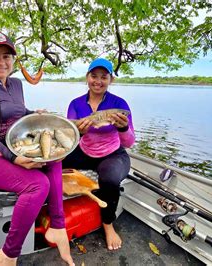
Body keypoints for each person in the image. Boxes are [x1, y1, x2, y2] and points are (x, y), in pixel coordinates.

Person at [0, 31, 74, 266]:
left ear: (13, 60)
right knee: (38, 185)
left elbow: (18, 113)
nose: (1, 62)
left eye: (6, 56)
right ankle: (7, 254)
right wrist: (13, 158)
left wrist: (35, 114)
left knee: (54, 156)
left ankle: (57, 226)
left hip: (9, 146)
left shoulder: (16, 84)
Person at [62, 58, 135, 251]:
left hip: (112, 154)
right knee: (51, 161)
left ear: (111, 80)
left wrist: (124, 127)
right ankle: (52, 209)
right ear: (87, 77)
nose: (98, 81)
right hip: (84, 150)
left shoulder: (119, 104)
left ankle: (108, 225)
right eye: (94, 76)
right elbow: (69, 138)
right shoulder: (76, 104)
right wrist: (80, 132)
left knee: (110, 180)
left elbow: (129, 143)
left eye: (104, 77)